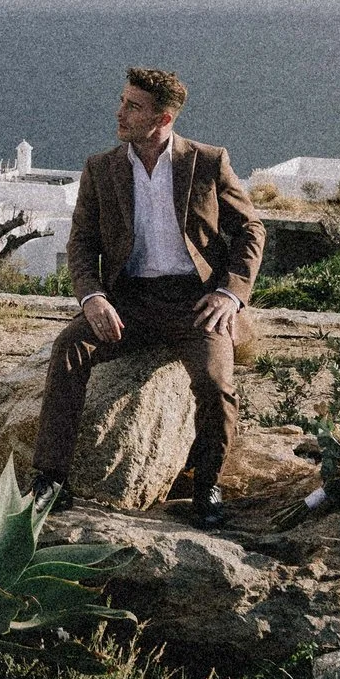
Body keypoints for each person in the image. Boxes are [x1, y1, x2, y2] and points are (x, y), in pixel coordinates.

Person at [31, 66, 265, 526]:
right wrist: (92, 297)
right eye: (122, 101)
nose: (119, 112)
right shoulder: (101, 169)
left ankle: (207, 486)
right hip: (129, 301)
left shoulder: (208, 161)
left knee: (217, 385)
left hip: (195, 303)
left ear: (164, 117)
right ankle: (49, 481)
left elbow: (252, 229)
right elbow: (81, 244)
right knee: (69, 349)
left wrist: (230, 294)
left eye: (132, 106)